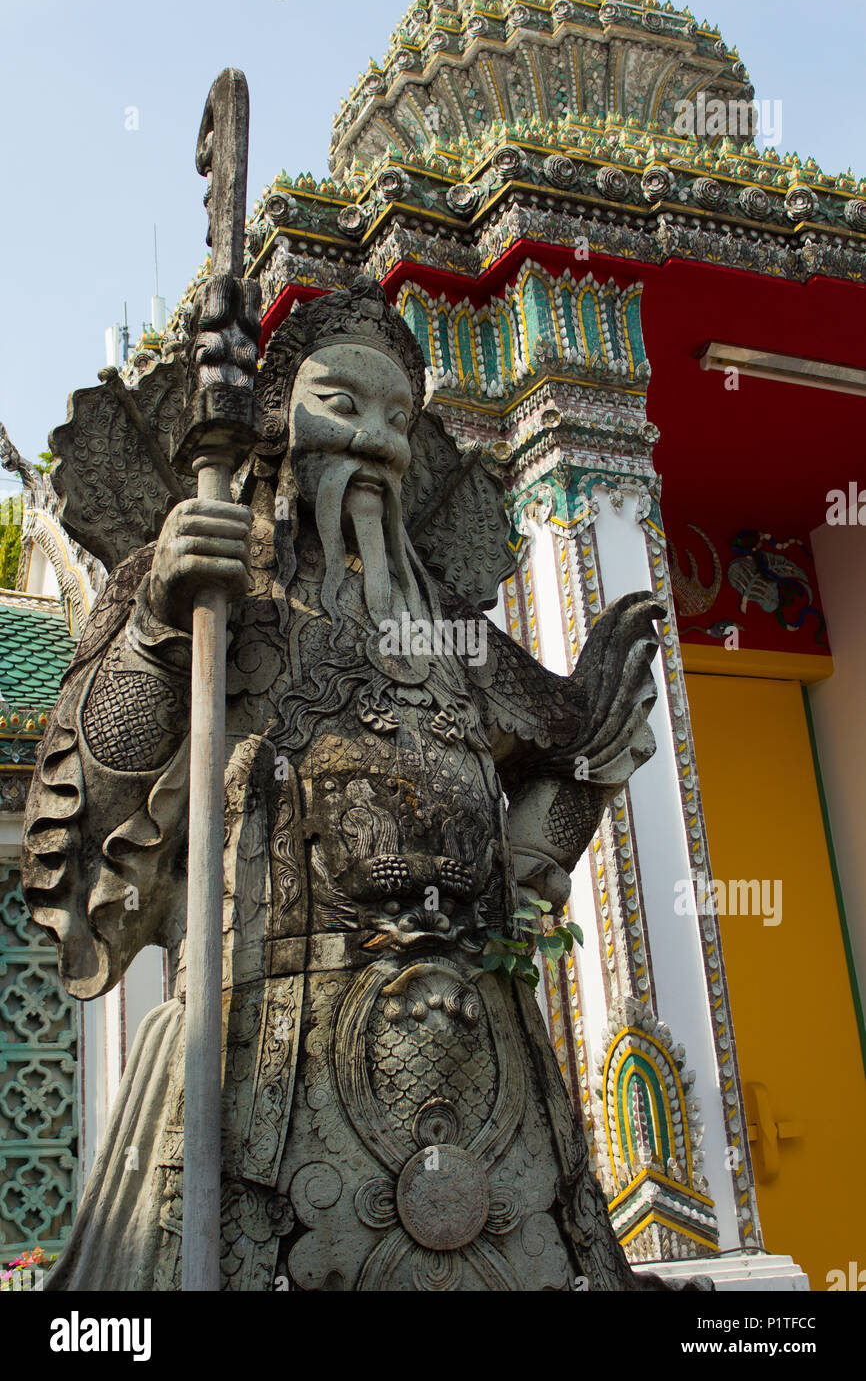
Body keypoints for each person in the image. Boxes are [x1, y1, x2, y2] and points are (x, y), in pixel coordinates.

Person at [23, 277, 668, 1291]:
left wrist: (551, 817)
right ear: (276, 417)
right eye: (342, 405)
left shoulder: (448, 632)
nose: (374, 440)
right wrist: (158, 622)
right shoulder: (207, 584)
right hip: (258, 1053)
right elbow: (99, 785)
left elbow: (558, 756)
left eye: (397, 419)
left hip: (482, 1057)